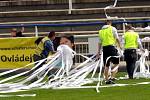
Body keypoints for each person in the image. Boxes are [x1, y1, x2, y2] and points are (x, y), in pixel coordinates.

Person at [97, 20, 122, 84]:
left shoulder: (100, 31)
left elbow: (99, 42)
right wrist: (120, 46)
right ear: (109, 23)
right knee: (117, 63)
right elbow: (117, 38)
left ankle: (107, 80)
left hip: (104, 49)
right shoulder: (112, 28)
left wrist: (98, 52)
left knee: (106, 65)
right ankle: (112, 77)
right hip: (112, 47)